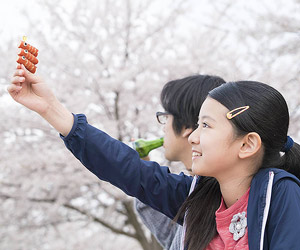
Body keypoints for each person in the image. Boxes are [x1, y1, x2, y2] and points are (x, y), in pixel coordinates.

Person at [9, 65, 300, 250]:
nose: (193, 137)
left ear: (247, 145)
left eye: (206, 126)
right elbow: (127, 169)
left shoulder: (281, 193)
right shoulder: (198, 195)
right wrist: (51, 109)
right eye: (196, 124)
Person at [135, 75, 225, 249]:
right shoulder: (198, 188)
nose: (163, 127)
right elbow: (174, 238)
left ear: (185, 127)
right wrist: (144, 172)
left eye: (165, 117)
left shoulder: (221, 193)